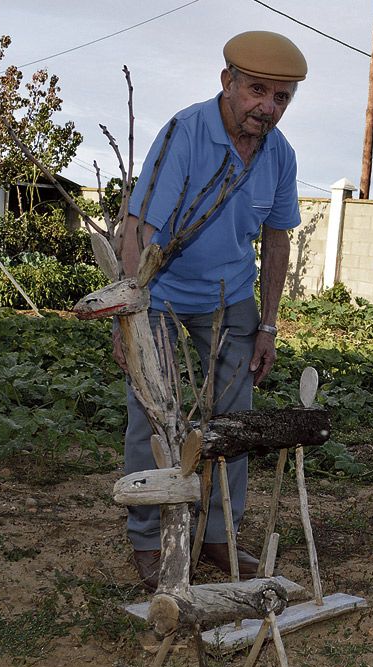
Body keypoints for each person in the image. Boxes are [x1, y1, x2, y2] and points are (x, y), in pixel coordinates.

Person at [117, 31, 307, 590]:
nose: (267, 107)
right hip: (163, 299)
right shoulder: (184, 134)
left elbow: (276, 241)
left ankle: (219, 536)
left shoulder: (280, 155)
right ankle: (149, 541)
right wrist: (130, 317)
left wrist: (268, 324)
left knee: (231, 426)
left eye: (281, 97)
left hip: (234, 305)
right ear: (227, 82)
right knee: (154, 416)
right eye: (256, 90)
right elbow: (140, 228)